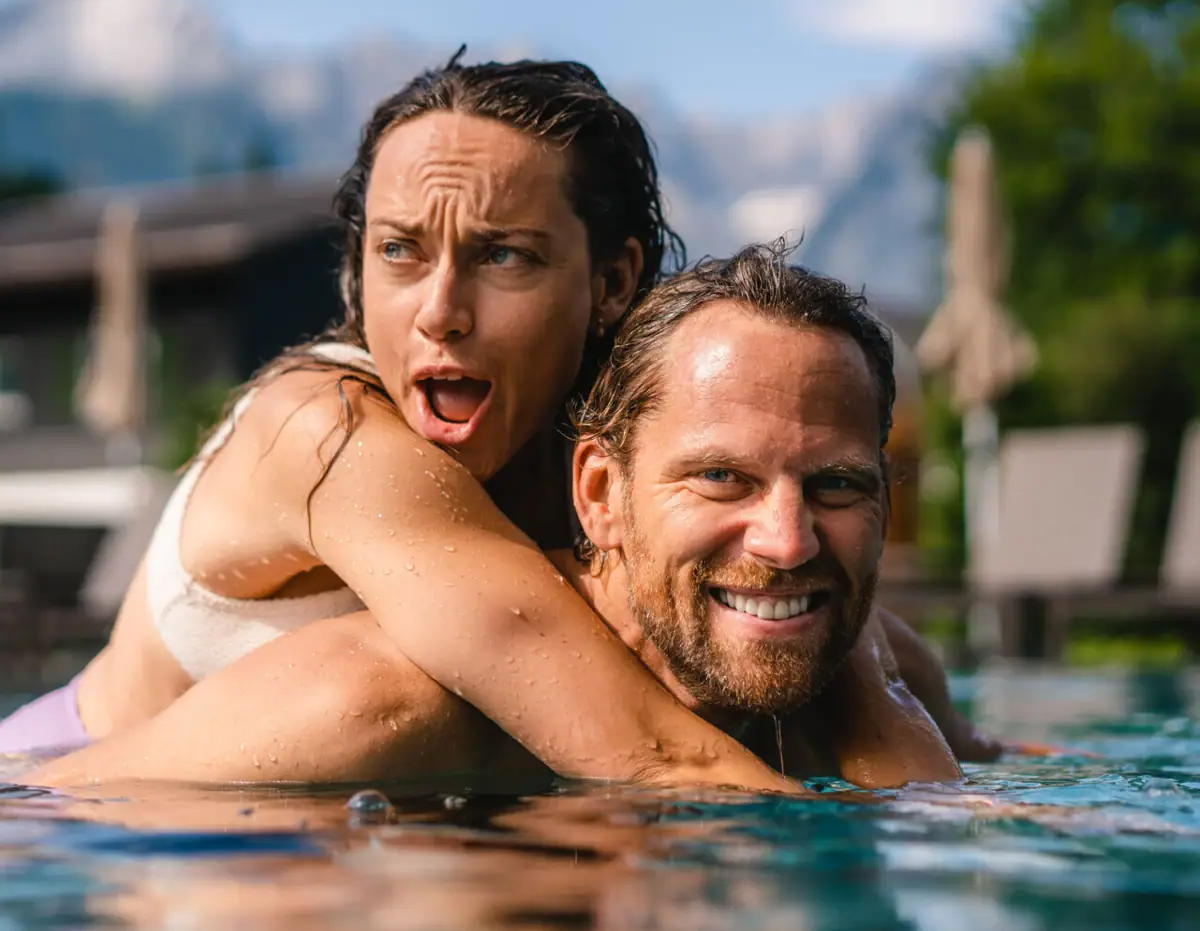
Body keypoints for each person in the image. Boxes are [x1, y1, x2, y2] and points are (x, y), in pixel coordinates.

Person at [28, 245, 996, 793]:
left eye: (836, 487)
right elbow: (39, 815)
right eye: (720, 479)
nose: (787, 542)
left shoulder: (879, 675)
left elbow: (1020, 776)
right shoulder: (369, 707)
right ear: (599, 495)